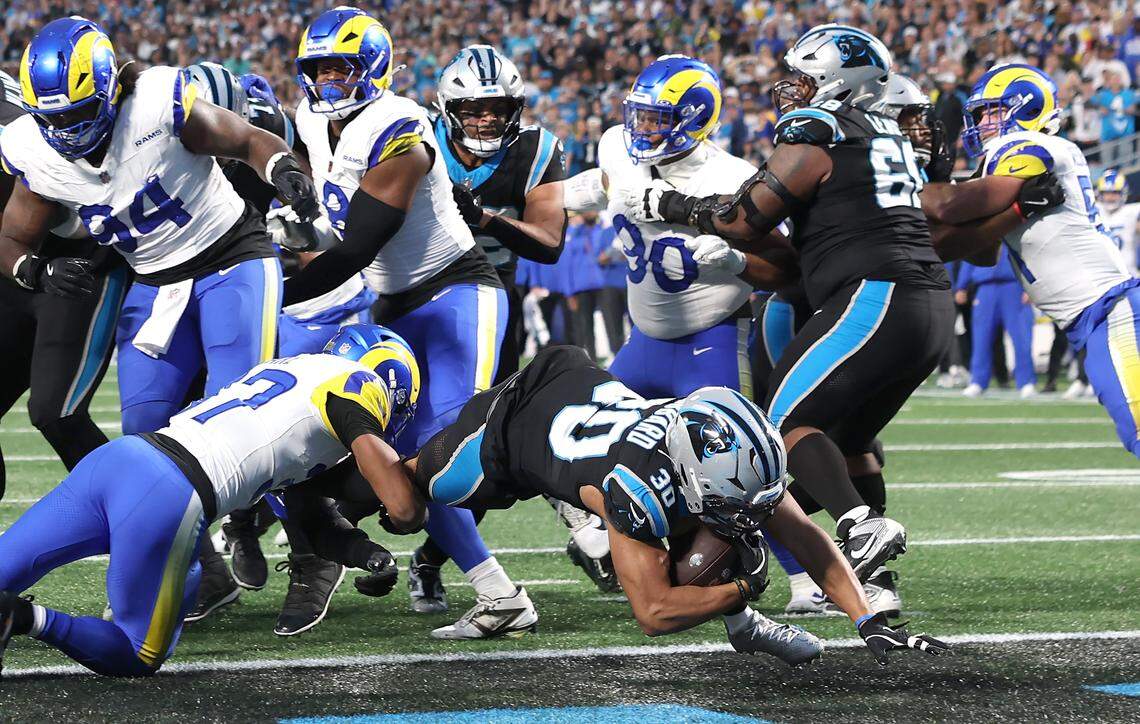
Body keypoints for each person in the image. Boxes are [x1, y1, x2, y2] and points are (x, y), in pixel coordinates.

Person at [340, 346, 949, 666]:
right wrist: (743, 591)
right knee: (402, 501)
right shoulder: (636, 489)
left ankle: (741, 627)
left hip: (592, 406)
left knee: (725, 535)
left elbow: (804, 534)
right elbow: (653, 613)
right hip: (507, 432)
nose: (751, 506)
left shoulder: (715, 452)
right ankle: (334, 429)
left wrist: (867, 619)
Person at [624, 26, 954, 583]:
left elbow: (741, 218)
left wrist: (672, 203)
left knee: (783, 423)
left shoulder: (820, 128)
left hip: (874, 294)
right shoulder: (885, 133)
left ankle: (857, 525)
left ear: (835, 83)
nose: (791, 88)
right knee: (847, 442)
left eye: (804, 76)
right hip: (926, 305)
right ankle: (875, 589)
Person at [282, 8, 531, 638]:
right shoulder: (313, 119)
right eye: (318, 69)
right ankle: (492, 590)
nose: (328, 82)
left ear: (371, 67)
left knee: (438, 455)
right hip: (389, 302)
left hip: (454, 296)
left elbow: (353, 249)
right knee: (383, 455)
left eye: (340, 67)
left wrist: (275, 290)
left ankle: (536, 531)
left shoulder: (402, 130)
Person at [0, 324, 423, 677]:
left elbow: (311, 519)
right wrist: (408, 507)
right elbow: (403, 507)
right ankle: (22, 618)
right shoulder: (359, 384)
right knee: (138, 653)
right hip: (171, 493)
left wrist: (369, 554)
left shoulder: (294, 379)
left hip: (120, 460)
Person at [561, 54, 808, 605]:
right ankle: (598, 537)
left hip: (712, 338)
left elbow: (789, 270)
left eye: (657, 119)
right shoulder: (615, 149)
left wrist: (737, 264)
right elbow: (602, 185)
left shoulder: (735, 179)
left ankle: (805, 577)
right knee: (576, 433)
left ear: (695, 119)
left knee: (742, 470)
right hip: (643, 342)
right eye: (639, 116)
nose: (641, 129)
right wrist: (553, 197)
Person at [0, 18, 318, 443]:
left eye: (78, 113)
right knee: (144, 433)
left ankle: (286, 511)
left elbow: (246, 141)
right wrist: (37, 271)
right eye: (53, 118)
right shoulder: (34, 150)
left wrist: (282, 168)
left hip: (230, 257)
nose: (67, 130)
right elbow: (12, 239)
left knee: (238, 415)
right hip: (153, 282)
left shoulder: (153, 103)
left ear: (110, 90)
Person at [181, 62, 375, 635]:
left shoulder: (270, 165)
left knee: (275, 417)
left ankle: (312, 551)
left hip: (311, 312)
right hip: (224, 305)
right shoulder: (173, 164)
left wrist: (295, 241)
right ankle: (238, 526)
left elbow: (327, 262)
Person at [921, 63, 1140, 460]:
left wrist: (902, 187)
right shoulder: (1007, 162)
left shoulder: (1036, 147)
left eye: (990, 111)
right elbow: (972, 249)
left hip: (1112, 311)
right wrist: (1014, 213)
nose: (982, 122)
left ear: (1024, 107)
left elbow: (953, 208)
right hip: (1093, 317)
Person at [0, 68, 129, 501]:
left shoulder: (18, 129)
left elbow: (82, 209)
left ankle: (180, 546)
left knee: (57, 413)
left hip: (78, 266)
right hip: (16, 268)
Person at [954, 248, 1037, 398]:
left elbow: (1030, 256)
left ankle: (1026, 382)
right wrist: (961, 286)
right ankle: (978, 381)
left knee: (1021, 338)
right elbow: (971, 256)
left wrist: (1031, 286)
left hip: (1014, 286)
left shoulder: (1015, 228)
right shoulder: (981, 231)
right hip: (985, 288)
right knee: (981, 339)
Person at [1096, 169, 1140, 274]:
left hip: (1130, 275)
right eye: (1106, 193)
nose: (1110, 197)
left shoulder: (1132, 211)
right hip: (1103, 276)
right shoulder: (1096, 210)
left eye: (1115, 192)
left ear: (1123, 193)